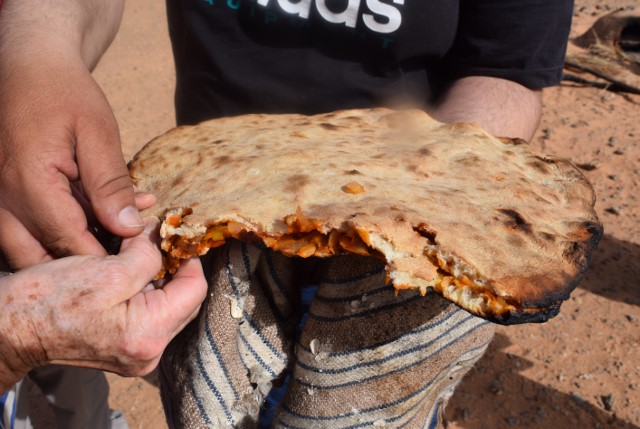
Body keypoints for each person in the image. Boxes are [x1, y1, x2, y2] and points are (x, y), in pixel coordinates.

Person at [0, 0, 574, 427]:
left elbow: (506, 67)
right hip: (209, 196)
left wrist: (419, 203)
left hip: (419, 215)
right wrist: (34, 48)